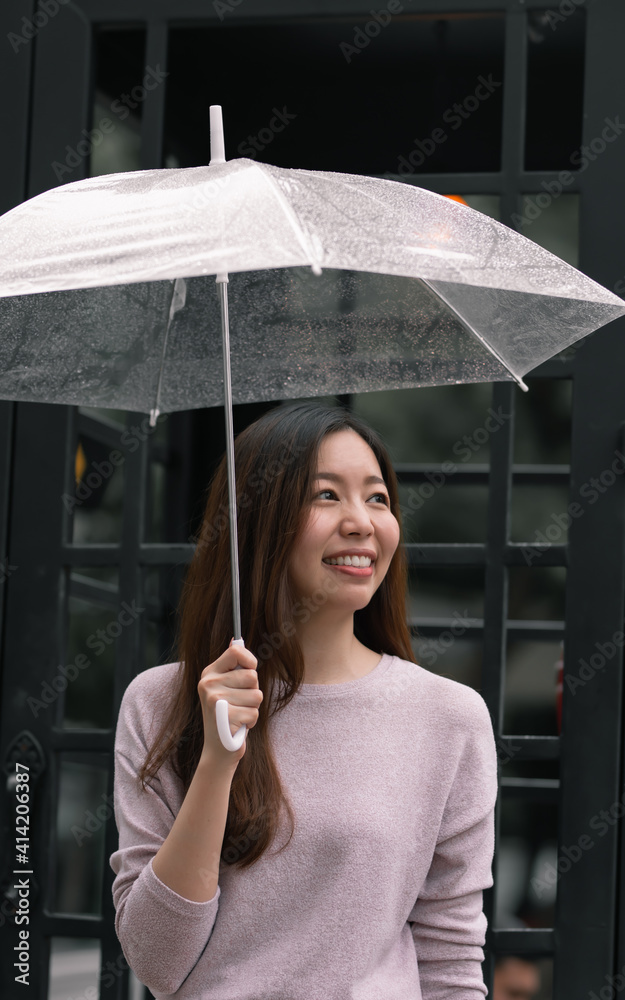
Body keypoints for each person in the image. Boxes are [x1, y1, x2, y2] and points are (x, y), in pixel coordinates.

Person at [110, 401, 499, 999]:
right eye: (326, 495)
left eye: (377, 498)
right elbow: (156, 962)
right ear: (259, 519)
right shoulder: (162, 701)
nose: (362, 522)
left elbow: (450, 959)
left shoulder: (448, 717)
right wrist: (216, 764)